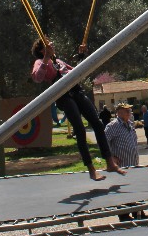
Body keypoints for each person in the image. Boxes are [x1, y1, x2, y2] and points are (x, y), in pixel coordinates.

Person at [31, 38, 125, 180]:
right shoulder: (40, 62)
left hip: (76, 91)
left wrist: (82, 56)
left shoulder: (59, 62)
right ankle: (91, 169)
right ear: (42, 50)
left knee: (98, 124)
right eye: (48, 44)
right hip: (63, 96)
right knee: (80, 130)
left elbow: (76, 72)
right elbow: (37, 77)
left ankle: (109, 162)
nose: (52, 44)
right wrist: (46, 58)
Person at [105, 103, 148, 220]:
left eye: (130, 110)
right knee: (123, 191)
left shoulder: (130, 124)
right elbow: (104, 142)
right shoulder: (112, 126)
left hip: (133, 162)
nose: (130, 113)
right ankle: (124, 215)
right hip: (121, 164)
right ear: (119, 112)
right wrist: (111, 157)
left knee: (134, 188)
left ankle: (138, 213)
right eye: (127, 111)